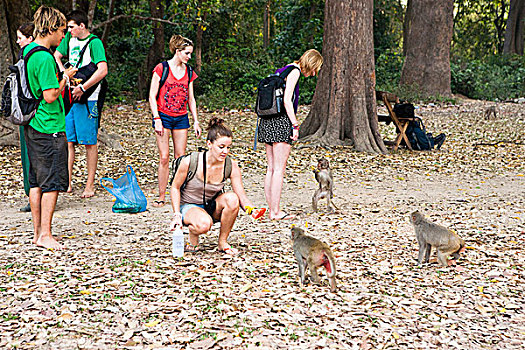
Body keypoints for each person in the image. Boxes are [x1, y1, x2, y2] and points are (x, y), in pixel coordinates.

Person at [24, 6, 77, 250]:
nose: (63, 36)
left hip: (34, 125)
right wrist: (65, 76)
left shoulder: (29, 52)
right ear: (51, 29)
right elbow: (50, 95)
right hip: (49, 126)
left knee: (36, 182)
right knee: (52, 182)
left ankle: (37, 233)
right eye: (62, 30)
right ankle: (45, 233)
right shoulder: (44, 57)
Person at [169, 117, 258, 256]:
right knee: (204, 224)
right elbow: (175, 187)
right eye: (221, 147)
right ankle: (193, 236)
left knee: (232, 199)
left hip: (211, 205)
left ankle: (222, 242)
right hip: (188, 206)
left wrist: (251, 210)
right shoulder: (190, 161)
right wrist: (176, 214)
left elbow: (240, 194)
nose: (225, 151)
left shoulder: (230, 165)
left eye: (228, 147)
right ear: (209, 144)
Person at [257, 49, 323, 220]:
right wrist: (294, 124)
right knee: (279, 169)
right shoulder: (295, 72)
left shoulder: (284, 69)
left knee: (271, 168)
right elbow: (287, 100)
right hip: (281, 121)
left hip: (267, 120)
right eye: (316, 68)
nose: (315, 73)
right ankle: (276, 211)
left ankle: (272, 208)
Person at [54, 10, 108, 198]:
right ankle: (67, 182)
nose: (68, 30)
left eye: (71, 27)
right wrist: (65, 75)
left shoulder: (94, 43)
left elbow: (102, 70)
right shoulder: (68, 39)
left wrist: (83, 88)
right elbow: (56, 55)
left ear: (81, 26)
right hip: (70, 94)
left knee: (89, 142)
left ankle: (89, 185)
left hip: (89, 97)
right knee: (69, 140)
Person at [149, 35, 201, 208]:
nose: (189, 57)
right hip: (163, 115)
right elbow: (152, 95)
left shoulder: (188, 71)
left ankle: (178, 193)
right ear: (177, 51)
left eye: (190, 54)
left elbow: (191, 99)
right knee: (164, 157)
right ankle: (161, 196)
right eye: (186, 53)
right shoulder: (161, 68)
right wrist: (156, 118)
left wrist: (196, 121)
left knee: (181, 157)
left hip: (181, 117)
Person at [16, 22, 35, 213]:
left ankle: (35, 196)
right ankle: (32, 195)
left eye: (20, 38)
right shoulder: (25, 57)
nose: (18, 42)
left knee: (33, 156)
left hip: (32, 114)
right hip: (25, 113)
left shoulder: (34, 57)